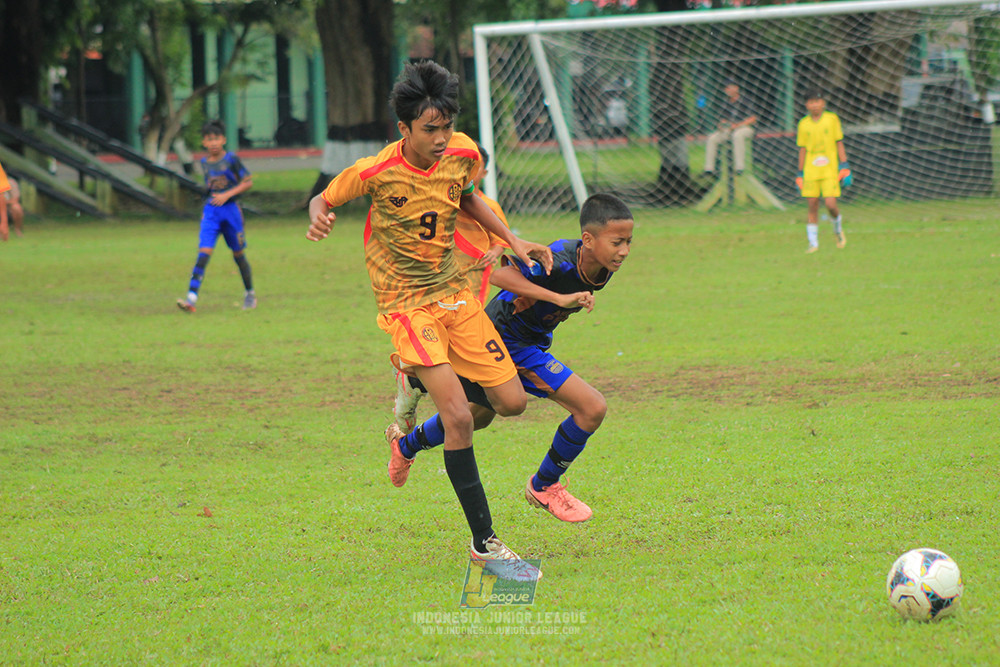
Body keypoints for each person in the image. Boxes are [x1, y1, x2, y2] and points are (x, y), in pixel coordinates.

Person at [306, 60, 553, 576]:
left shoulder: (462, 153)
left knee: (510, 402)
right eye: (429, 129)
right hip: (404, 304)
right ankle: (485, 544)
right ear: (404, 129)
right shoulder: (375, 171)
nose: (441, 139)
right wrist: (320, 213)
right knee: (461, 416)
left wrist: (515, 240)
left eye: (446, 126)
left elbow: (465, 196)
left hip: (454, 295)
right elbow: (323, 196)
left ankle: (413, 388)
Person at [389, 193, 634, 524]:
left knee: (477, 416)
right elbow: (499, 277)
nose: (624, 251)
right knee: (592, 407)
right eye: (617, 242)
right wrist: (558, 298)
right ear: (587, 239)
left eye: (629, 242)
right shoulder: (559, 257)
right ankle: (544, 485)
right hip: (503, 338)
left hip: (529, 342)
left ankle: (405, 446)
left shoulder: (602, 268)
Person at [392, 141, 509, 434]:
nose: (470, 170)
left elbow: (501, 239)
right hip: (436, 291)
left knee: (459, 356)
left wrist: (496, 251)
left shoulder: (490, 207)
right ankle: (420, 384)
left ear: (482, 171)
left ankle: (417, 383)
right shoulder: (442, 199)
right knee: (441, 351)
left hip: (473, 291)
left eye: (476, 167)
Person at [177, 120, 256, 312]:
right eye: (209, 139)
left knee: (238, 254)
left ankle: (250, 294)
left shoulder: (231, 160)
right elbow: (210, 185)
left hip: (230, 212)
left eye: (216, 139)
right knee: (204, 253)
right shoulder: (204, 163)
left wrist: (227, 195)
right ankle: (191, 298)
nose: (213, 143)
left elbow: (247, 182)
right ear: (204, 142)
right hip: (211, 211)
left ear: (223, 140)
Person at [795, 90, 851, 253]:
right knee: (812, 205)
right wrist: (800, 173)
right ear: (807, 105)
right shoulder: (803, 124)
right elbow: (802, 149)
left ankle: (837, 229)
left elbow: (839, 142)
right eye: (811, 102)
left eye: (817, 101)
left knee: (830, 204)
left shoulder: (831, 119)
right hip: (811, 170)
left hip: (829, 169)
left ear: (823, 103)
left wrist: (844, 165)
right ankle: (813, 243)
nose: (815, 105)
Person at [703, 81, 757, 176]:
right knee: (712, 138)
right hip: (729, 129)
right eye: (727, 88)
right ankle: (709, 169)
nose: (728, 90)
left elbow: (753, 119)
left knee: (737, 136)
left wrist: (738, 125)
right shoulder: (725, 103)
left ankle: (739, 167)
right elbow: (722, 119)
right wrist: (722, 124)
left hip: (745, 128)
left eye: (731, 87)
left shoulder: (746, 100)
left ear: (737, 88)